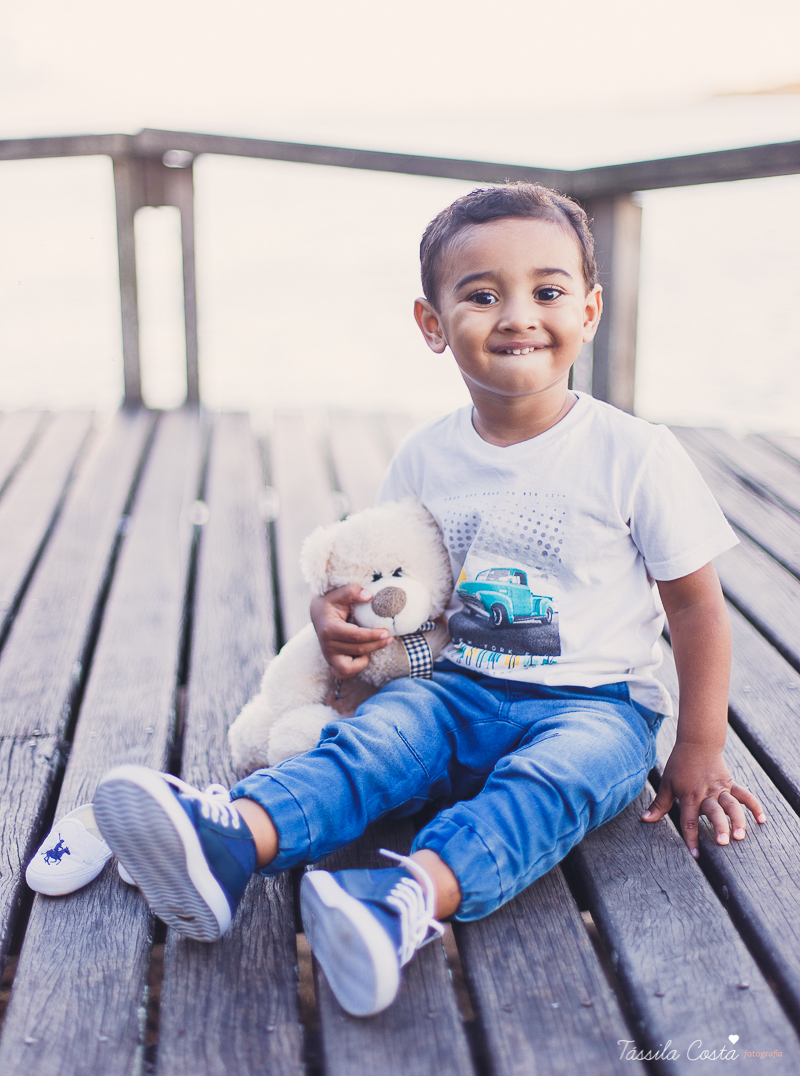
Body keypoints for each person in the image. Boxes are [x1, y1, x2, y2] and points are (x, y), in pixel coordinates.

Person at [93, 182, 766, 1019]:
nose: (518, 314)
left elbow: (697, 608)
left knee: (549, 786)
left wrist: (698, 746)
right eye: (482, 295)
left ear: (588, 311)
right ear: (432, 325)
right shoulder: (426, 456)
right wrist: (336, 622)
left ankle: (403, 902)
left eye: (547, 292)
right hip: (457, 688)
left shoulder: (633, 454)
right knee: (374, 743)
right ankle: (236, 840)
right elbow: (394, 588)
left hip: (598, 707)